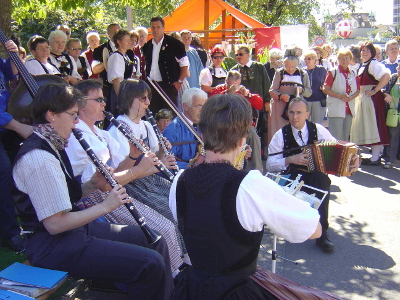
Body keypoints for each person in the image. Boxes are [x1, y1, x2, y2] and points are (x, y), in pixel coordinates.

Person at [13, 83, 173, 300]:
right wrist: (105, 206)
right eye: (71, 115)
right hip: (52, 247)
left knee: (155, 240)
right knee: (150, 264)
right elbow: (55, 224)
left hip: (72, 233)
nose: (76, 121)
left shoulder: (52, 144)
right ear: (51, 115)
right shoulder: (39, 158)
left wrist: (92, 185)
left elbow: (64, 199)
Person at [169, 94, 328, 300]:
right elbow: (314, 229)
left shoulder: (179, 182)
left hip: (192, 288)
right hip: (237, 293)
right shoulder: (251, 184)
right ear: (243, 139)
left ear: (203, 131)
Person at [65, 79, 183, 276]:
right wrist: (142, 168)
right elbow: (101, 184)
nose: (105, 104)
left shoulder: (101, 133)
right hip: (96, 199)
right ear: (81, 103)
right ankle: (172, 277)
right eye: (99, 100)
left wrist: (133, 156)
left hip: (115, 191)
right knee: (166, 228)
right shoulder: (77, 137)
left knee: (172, 220)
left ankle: (178, 270)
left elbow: (116, 171)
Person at [267, 98, 340, 253]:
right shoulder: (281, 135)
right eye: (292, 112)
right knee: (286, 185)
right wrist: (289, 159)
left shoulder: (318, 129)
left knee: (322, 180)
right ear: (287, 113)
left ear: (307, 114)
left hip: (314, 174)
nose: (295, 117)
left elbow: (335, 146)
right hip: (291, 174)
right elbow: (270, 164)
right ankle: (293, 228)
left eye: (299, 113)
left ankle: (322, 233)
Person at [0, 40, 33, 252]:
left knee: (21, 168)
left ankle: (28, 222)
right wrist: (18, 126)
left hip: (7, 125)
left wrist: (14, 54)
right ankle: (10, 232)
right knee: (3, 172)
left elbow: (11, 75)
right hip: (6, 123)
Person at [209, 70, 263, 172]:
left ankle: (258, 171)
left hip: (242, 124)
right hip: (223, 124)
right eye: (232, 84)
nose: (235, 87)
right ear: (226, 81)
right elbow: (212, 102)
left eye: (237, 84)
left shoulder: (242, 91)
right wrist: (228, 93)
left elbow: (259, 104)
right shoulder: (219, 90)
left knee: (254, 136)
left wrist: (248, 95)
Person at [351, 42, 390, 165]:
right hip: (365, 99)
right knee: (369, 126)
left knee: (374, 126)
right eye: (363, 50)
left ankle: (375, 157)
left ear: (372, 53)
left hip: (372, 100)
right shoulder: (364, 65)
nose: (365, 52)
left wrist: (375, 90)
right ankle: (374, 156)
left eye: (368, 50)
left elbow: (386, 75)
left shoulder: (373, 64)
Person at [142, 17, 189, 113]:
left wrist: (179, 82)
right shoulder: (147, 46)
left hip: (169, 86)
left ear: (163, 28)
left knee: (169, 115)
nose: (155, 30)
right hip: (152, 86)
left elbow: (184, 65)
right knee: (154, 114)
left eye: (158, 27)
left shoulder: (174, 44)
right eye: (153, 27)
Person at [269, 55, 311, 144]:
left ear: (297, 65)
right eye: (287, 66)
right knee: (281, 132)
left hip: (297, 107)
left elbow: (309, 91)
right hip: (280, 108)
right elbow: (272, 91)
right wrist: (281, 96)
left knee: (296, 130)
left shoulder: (303, 74)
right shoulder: (279, 73)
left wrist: (301, 90)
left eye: (293, 67)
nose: (290, 69)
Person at [163, 88, 207, 169]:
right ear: (185, 106)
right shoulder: (173, 130)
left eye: (204, 106)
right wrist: (192, 167)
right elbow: (168, 163)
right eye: (198, 106)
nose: (203, 111)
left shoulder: (204, 126)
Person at [323, 48, 360, 141]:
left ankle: (344, 155)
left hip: (349, 109)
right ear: (338, 59)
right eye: (342, 58)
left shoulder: (353, 73)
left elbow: (358, 90)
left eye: (347, 58)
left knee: (345, 137)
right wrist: (338, 96)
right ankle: (335, 155)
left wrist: (350, 97)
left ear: (350, 59)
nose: (344, 61)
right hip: (336, 109)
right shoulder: (333, 72)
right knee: (336, 137)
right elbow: (325, 89)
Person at [92, 23, 121, 97]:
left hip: (124, 87)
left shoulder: (127, 49)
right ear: (108, 34)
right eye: (115, 31)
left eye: (119, 31)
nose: (118, 34)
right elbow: (95, 70)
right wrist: (108, 60)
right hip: (107, 88)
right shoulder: (99, 50)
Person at [303, 50, 328, 125]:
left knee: (317, 125)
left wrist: (324, 87)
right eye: (305, 59)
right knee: (304, 124)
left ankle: (316, 137)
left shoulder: (321, 70)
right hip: (305, 101)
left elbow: (327, 82)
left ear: (315, 60)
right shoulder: (301, 71)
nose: (307, 60)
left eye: (309, 59)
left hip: (318, 100)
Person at [382, 66, 400, 169]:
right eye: (399, 68)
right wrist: (386, 95)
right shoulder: (394, 77)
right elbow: (385, 89)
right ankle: (389, 159)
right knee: (392, 135)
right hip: (393, 112)